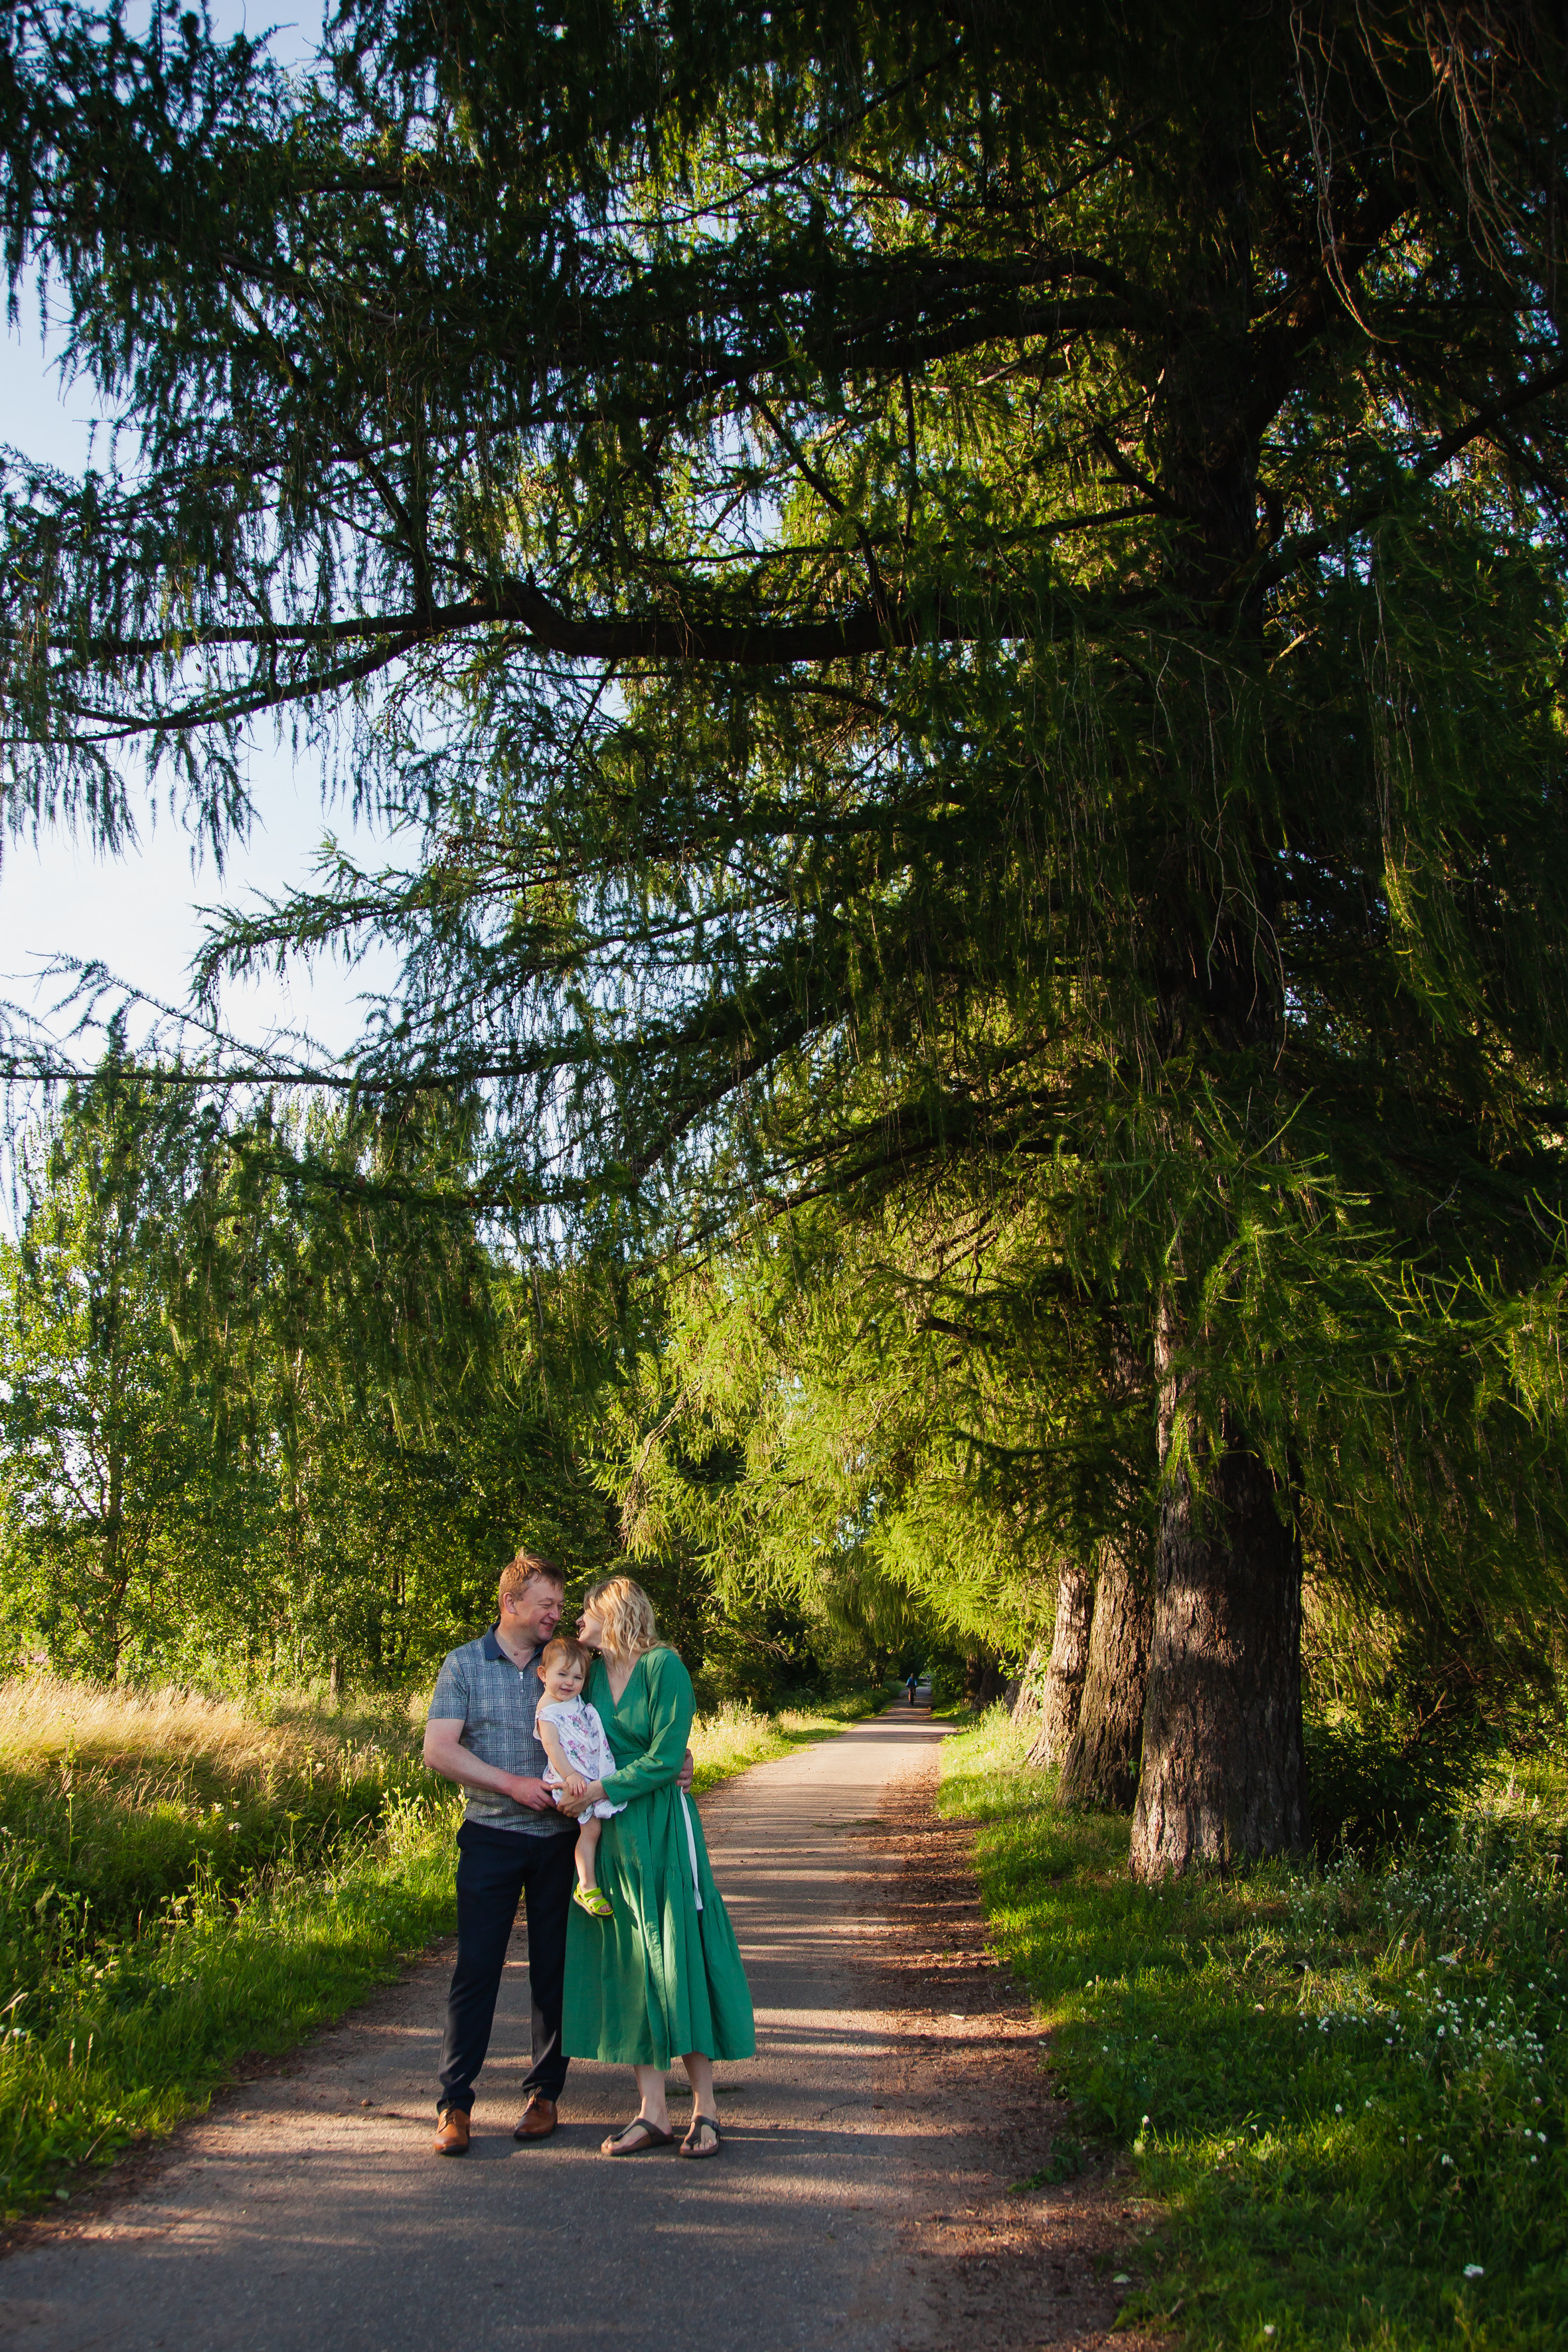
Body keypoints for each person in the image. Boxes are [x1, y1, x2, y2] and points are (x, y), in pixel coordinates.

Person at [422, 1553, 696, 2156]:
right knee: (477, 1970)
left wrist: (680, 1757)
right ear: (510, 1604)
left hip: (559, 1840)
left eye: (561, 1603)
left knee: (554, 1972)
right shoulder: (465, 1665)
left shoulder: (579, 1666)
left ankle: (545, 2094)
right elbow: (438, 1749)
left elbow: (629, 1727)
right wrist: (510, 1784)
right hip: (493, 1834)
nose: (556, 1613)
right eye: (546, 1603)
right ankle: (455, 2104)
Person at [560, 1575, 755, 2159]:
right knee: (633, 1962)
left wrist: (599, 1784)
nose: (578, 1622)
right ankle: (653, 2112)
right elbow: (568, 1730)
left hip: (666, 1830)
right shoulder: (589, 1677)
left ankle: (706, 2109)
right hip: (614, 1834)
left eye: (587, 1611)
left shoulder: (663, 1666)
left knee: (679, 1957)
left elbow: (668, 1756)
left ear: (614, 1612)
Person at [533, 1634, 623, 1918]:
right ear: (543, 1674)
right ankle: (586, 1885)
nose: (570, 1683)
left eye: (577, 1677)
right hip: (570, 1778)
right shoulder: (547, 1710)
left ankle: (592, 1881)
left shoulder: (570, 1701)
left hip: (586, 1774)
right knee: (592, 1830)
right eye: (562, 1674)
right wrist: (571, 1775)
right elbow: (552, 1746)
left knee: (597, 1829)